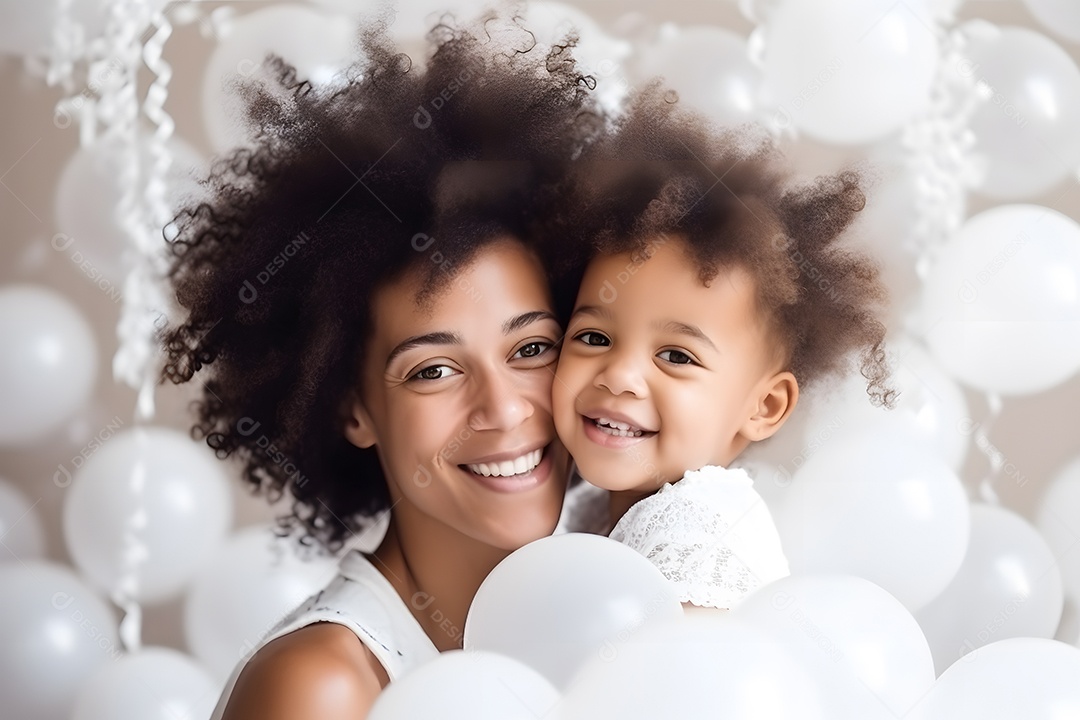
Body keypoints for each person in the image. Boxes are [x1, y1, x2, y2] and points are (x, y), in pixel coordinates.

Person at [159, 17, 597, 718]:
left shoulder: (607, 604)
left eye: (531, 350)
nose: (506, 408)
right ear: (351, 406)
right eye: (433, 370)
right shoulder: (321, 687)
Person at [548, 90, 895, 609]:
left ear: (764, 406)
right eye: (594, 338)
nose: (619, 375)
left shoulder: (702, 535)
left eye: (677, 356)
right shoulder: (586, 507)